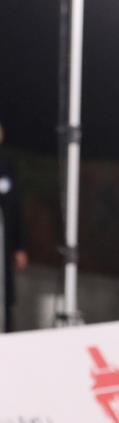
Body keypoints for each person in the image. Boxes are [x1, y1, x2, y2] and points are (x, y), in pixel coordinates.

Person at [0, 122, 29, 333]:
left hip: (4, 245)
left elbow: (17, 209)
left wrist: (20, 246)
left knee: (5, 297)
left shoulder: (7, 167)